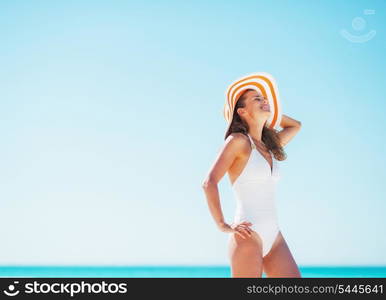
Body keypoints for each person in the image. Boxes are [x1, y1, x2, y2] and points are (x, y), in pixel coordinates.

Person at [202, 86, 302, 278]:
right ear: (242, 111)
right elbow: (209, 182)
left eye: (265, 99)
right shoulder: (238, 141)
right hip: (248, 234)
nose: (265, 101)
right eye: (257, 99)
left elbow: (295, 125)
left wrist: (270, 113)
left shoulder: (269, 146)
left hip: (274, 235)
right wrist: (222, 225)